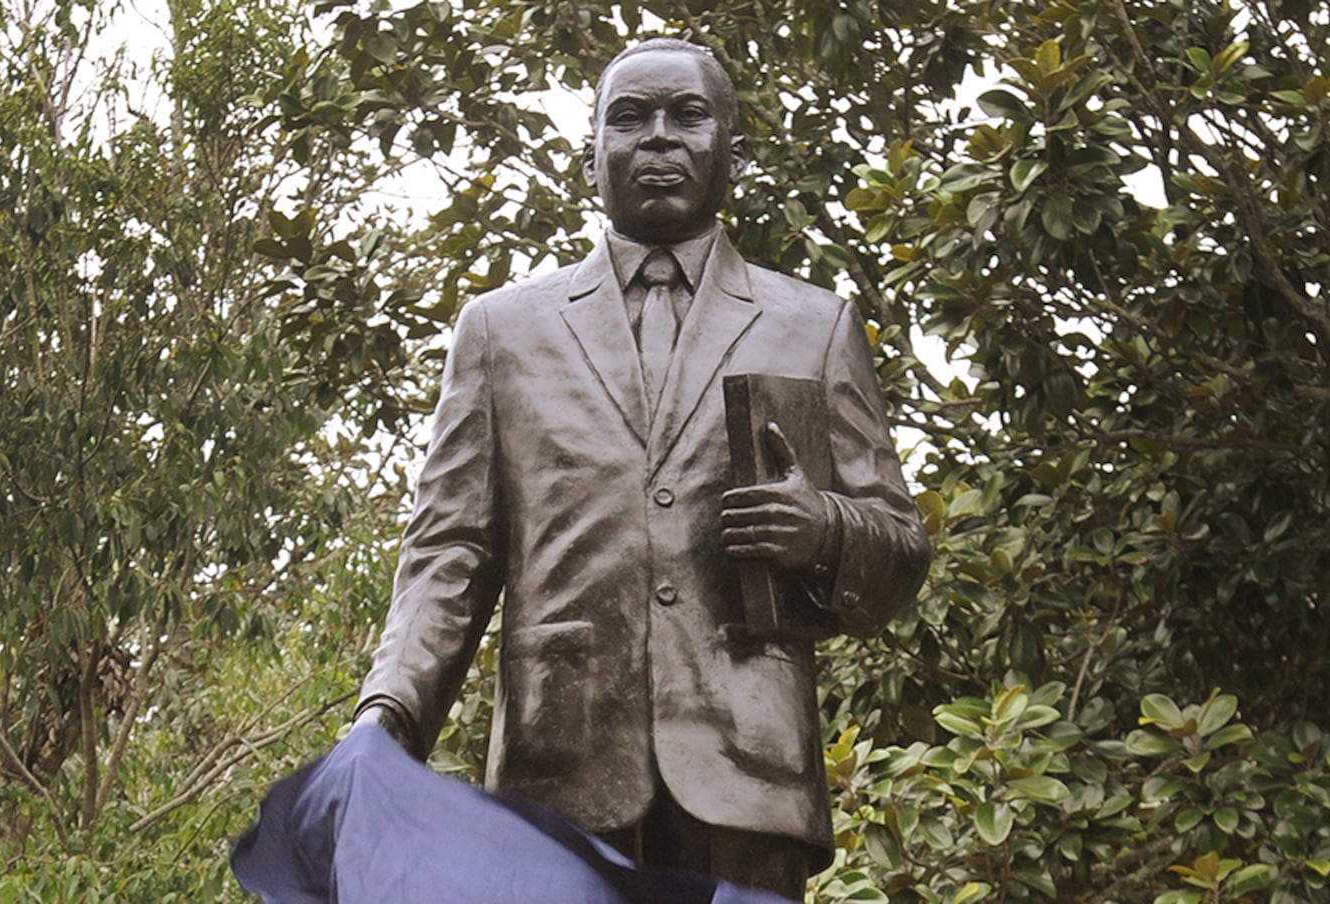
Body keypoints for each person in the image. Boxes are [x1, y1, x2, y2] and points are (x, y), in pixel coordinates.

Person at [354, 37, 930, 899]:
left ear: (733, 151)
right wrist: (389, 715)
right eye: (629, 118)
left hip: (749, 771)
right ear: (591, 154)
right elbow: (450, 551)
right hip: (560, 771)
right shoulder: (502, 331)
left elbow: (900, 543)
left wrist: (826, 531)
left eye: (687, 116)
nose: (658, 138)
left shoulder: (813, 323)